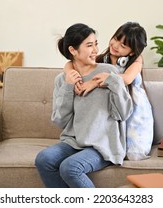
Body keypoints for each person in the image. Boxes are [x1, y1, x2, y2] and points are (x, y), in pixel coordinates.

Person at [35, 23, 133, 188]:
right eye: (89, 45)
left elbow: (123, 113)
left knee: (70, 167)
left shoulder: (108, 72)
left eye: (95, 44)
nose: (95, 49)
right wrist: (68, 87)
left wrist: (112, 82)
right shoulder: (62, 79)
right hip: (73, 142)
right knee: (43, 159)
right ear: (73, 50)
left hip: (103, 144)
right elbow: (59, 120)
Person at [64, 22, 154, 160]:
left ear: (132, 51)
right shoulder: (101, 59)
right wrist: (70, 72)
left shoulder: (136, 60)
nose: (115, 45)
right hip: (111, 107)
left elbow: (127, 78)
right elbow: (72, 62)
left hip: (133, 107)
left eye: (123, 45)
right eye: (116, 39)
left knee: (132, 150)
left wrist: (95, 82)